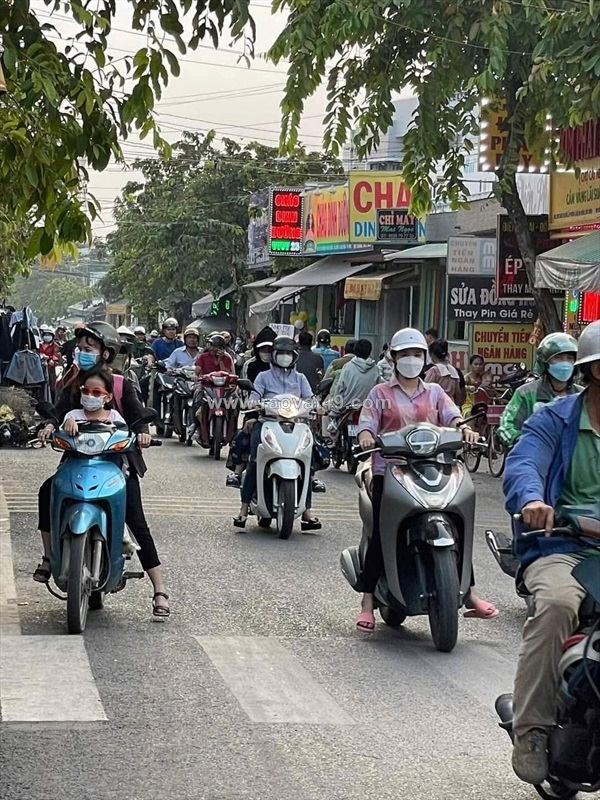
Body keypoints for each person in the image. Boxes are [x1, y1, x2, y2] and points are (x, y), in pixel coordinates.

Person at [503, 320, 600, 785]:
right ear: (593, 371)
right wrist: (533, 500)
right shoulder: (554, 418)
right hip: (564, 545)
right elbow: (524, 463)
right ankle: (533, 729)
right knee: (559, 604)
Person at [355, 327, 498, 632]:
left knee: (456, 523)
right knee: (382, 532)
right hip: (389, 471)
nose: (411, 359)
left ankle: (469, 592)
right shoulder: (380, 394)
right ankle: (367, 601)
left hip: (433, 467)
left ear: (425, 358)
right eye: (405, 354)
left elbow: (452, 416)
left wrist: (465, 429)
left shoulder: (434, 393)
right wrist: (367, 436)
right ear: (393, 358)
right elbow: (366, 423)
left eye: (417, 354)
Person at [34, 322, 170, 617]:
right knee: (47, 491)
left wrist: (143, 433)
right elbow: (58, 413)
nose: (82, 353)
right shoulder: (73, 383)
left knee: (135, 518)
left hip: (116, 463)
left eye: (88, 349)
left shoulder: (120, 384)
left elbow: (136, 417)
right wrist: (49, 425)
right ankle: (48, 557)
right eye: (80, 348)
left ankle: (159, 589)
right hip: (78, 458)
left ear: (105, 352)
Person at [233, 336, 321, 531]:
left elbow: (310, 398)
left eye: (288, 353)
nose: (284, 357)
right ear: (273, 355)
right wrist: (254, 403)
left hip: (296, 424)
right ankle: (243, 508)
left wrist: (317, 406)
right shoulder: (263, 377)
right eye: (280, 353)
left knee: (308, 461)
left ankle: (306, 510)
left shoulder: (300, 378)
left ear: (294, 356)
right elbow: (254, 395)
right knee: (255, 460)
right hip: (267, 422)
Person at [497, 332, 582, 448]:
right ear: (545, 362)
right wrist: (525, 442)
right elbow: (505, 427)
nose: (565, 363)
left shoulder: (582, 395)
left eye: (569, 358)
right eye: (558, 357)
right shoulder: (526, 393)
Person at [226, 327, 275, 488]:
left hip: (284, 414)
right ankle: (237, 472)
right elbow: (247, 392)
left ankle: (309, 477)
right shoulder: (250, 366)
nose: (267, 352)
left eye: (271, 349)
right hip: (257, 412)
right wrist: (253, 412)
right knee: (246, 437)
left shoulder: (287, 367)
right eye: (264, 348)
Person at [328, 338, 379, 424]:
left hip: (347, 411)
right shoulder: (375, 369)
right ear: (369, 352)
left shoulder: (348, 367)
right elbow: (379, 391)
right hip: (368, 411)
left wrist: (335, 410)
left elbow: (340, 389)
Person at [425, 339, 466, 407]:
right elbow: (459, 397)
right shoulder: (454, 371)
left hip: (435, 408)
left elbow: (425, 392)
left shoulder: (434, 371)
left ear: (431, 355)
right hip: (451, 408)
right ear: (446, 354)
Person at [39, 326, 62, 402]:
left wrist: (49, 359)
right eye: (46, 335)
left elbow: (56, 357)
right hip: (40, 369)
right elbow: (37, 353)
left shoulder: (55, 345)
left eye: (49, 335)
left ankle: (53, 403)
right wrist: (42, 356)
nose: (47, 337)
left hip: (51, 370)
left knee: (52, 388)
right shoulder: (39, 345)